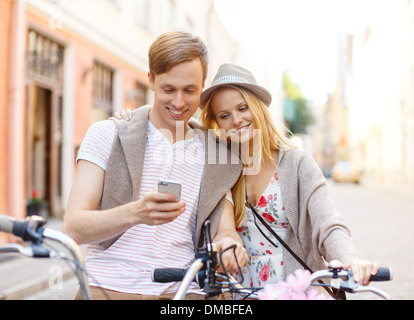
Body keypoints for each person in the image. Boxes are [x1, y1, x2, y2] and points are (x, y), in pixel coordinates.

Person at [118, 63, 380, 299]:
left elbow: (328, 224)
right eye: (224, 115)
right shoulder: (216, 167)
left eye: (242, 108)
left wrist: (349, 260)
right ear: (217, 122)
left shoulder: (297, 163)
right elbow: (179, 126)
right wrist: (135, 120)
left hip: (296, 291)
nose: (237, 120)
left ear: (257, 108)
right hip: (239, 294)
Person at [63, 32, 247, 300]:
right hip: (109, 288)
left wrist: (229, 245)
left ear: (203, 85)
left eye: (190, 90)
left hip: (183, 292)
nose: (179, 102)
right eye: (168, 89)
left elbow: (225, 230)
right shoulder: (106, 134)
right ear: (150, 79)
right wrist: (135, 213)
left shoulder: (216, 153)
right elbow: (73, 227)